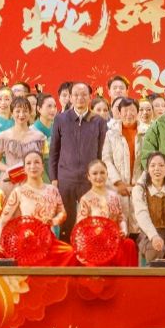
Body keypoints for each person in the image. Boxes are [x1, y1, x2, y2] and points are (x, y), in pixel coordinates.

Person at [48, 82, 108, 238]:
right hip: (66, 178)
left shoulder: (99, 121)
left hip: (90, 179)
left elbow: (102, 152)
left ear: (90, 97)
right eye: (76, 95)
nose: (80, 98)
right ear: (70, 97)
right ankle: (66, 251)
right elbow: (54, 151)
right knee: (66, 222)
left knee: (89, 220)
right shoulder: (61, 119)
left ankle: (87, 250)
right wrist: (54, 178)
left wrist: (100, 176)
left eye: (83, 95)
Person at [0, 151, 72, 265]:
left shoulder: (52, 189)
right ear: (24, 169)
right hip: (26, 239)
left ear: (42, 166)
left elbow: (62, 213)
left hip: (48, 239)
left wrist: (53, 221)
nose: (33, 166)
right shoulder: (19, 191)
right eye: (28, 163)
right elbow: (3, 220)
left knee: (70, 253)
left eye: (37, 162)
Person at [76, 159, 139, 266]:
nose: (99, 176)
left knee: (129, 244)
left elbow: (121, 218)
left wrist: (123, 230)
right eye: (95, 173)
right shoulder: (85, 199)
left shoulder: (114, 196)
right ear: (88, 177)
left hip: (114, 241)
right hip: (96, 243)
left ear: (107, 174)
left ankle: (127, 277)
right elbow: (81, 227)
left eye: (102, 172)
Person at [132, 153, 165, 264]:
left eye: (161, 165)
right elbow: (141, 214)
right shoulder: (140, 190)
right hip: (149, 235)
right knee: (155, 250)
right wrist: (154, 236)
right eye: (153, 165)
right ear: (147, 169)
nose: (157, 169)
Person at [0, 97, 47, 191]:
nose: (21, 114)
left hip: (32, 180)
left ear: (30, 113)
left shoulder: (39, 137)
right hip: (9, 180)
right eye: (17, 111)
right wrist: (10, 170)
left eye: (25, 111)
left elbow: (42, 161)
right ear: (12, 113)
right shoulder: (3, 136)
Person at [102, 97, 140, 192]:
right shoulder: (111, 134)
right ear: (119, 113)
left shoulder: (147, 133)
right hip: (118, 187)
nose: (129, 114)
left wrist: (140, 183)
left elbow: (149, 161)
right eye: (125, 110)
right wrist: (118, 182)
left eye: (132, 110)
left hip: (141, 186)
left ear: (138, 112)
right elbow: (106, 159)